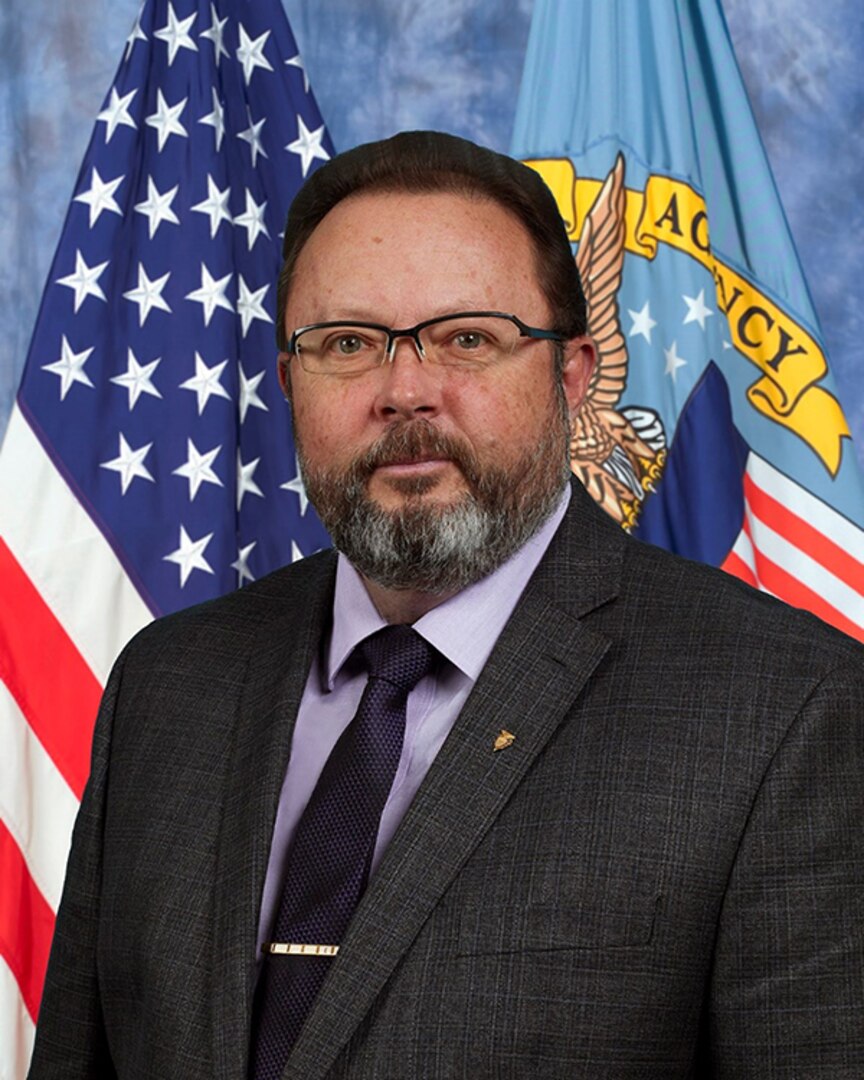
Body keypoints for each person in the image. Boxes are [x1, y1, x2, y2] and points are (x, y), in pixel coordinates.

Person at [29, 131, 864, 1079]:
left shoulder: (784, 709)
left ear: (574, 375)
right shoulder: (168, 684)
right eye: (347, 343)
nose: (406, 390)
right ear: (288, 385)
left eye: (468, 337)